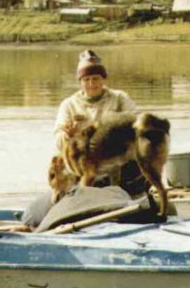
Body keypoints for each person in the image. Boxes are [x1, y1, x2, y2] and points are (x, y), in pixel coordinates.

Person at [53, 49, 145, 195]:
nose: (91, 83)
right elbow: (58, 140)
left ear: (103, 79)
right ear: (80, 82)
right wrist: (68, 136)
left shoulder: (119, 98)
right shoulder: (69, 105)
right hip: (85, 166)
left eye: (95, 78)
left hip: (117, 160)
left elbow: (138, 122)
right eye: (86, 79)